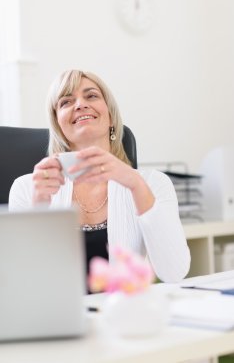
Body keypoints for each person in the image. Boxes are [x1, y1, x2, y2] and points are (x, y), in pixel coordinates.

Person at [9, 69, 191, 283]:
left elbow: (174, 273)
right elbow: (23, 282)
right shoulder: (26, 188)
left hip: (121, 312)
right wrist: (39, 209)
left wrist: (136, 185)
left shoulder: (152, 183)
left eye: (91, 96)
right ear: (58, 124)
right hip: (56, 315)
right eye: (66, 101)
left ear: (111, 116)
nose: (80, 105)